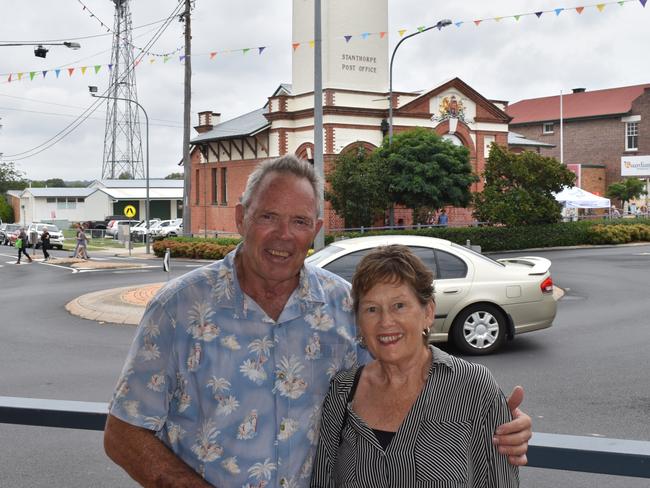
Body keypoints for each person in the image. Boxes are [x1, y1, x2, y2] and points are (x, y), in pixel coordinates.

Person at [104, 155, 531, 487]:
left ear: (317, 229)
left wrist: (498, 422)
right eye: (268, 216)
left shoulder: (342, 305)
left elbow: (406, 367)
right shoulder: (178, 308)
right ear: (240, 218)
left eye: (300, 222)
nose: (283, 235)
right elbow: (123, 433)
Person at [311, 245, 518, 486]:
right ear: (359, 322)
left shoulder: (472, 386)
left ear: (428, 311)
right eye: (371, 309)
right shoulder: (343, 389)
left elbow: (498, 481)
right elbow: (322, 481)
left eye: (399, 305)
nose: (385, 321)